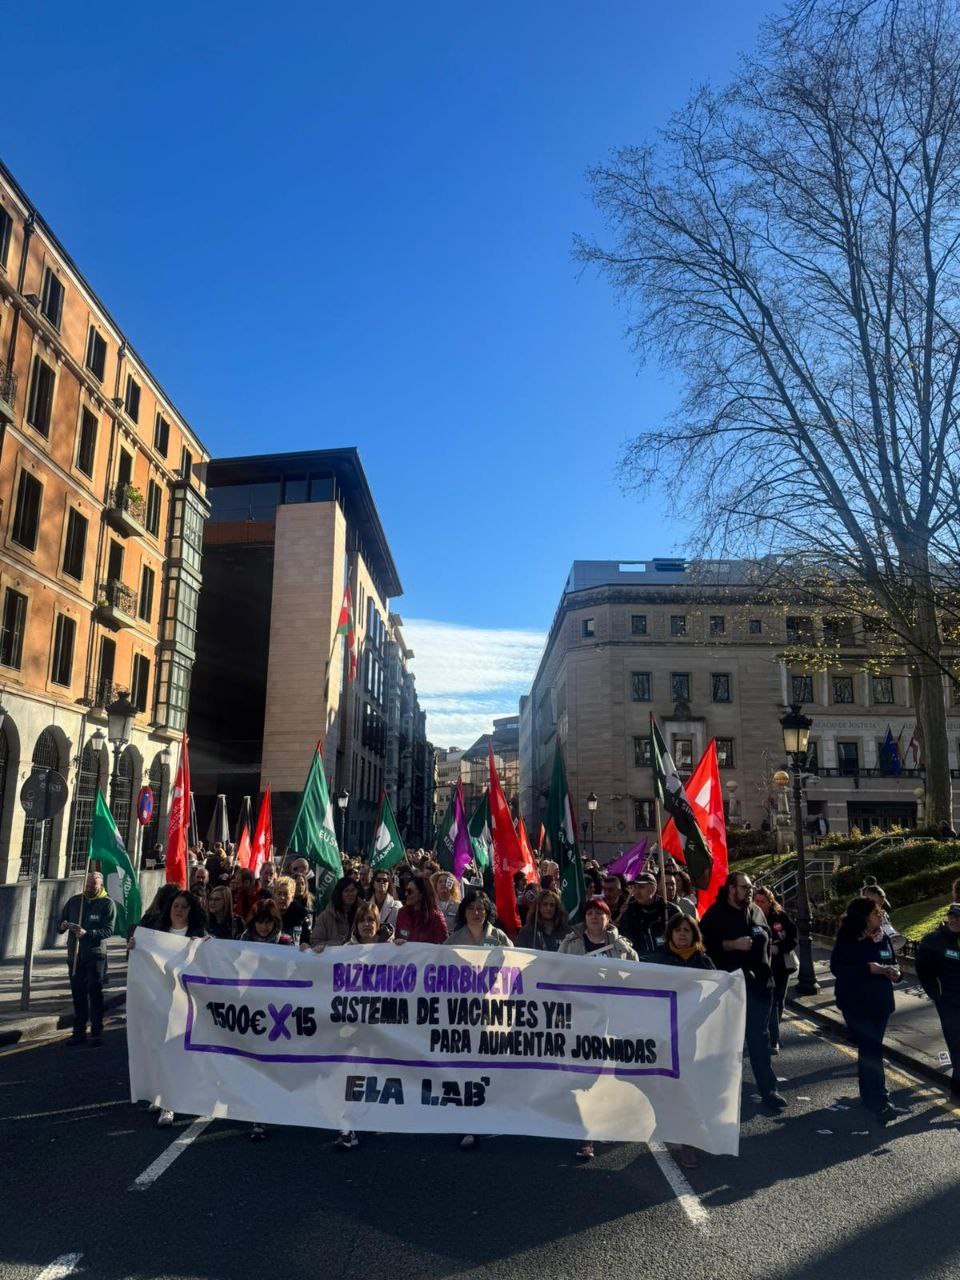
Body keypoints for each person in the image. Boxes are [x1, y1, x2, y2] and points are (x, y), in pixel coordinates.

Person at [559, 898, 638, 1160]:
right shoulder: (570, 944)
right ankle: (586, 1135)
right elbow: (556, 973)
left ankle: (606, 1123)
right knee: (584, 1076)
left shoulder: (621, 946)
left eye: (600, 913)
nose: (594, 917)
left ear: (608, 918)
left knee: (608, 1076)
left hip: (613, 1020)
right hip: (580, 1019)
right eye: (590, 913)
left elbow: (637, 974)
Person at [701, 872, 786, 1111]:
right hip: (729, 990)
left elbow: (766, 938)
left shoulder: (756, 912)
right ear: (730, 888)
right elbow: (701, 945)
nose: (750, 891)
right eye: (745, 887)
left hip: (760, 986)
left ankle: (769, 1091)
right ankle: (722, 1095)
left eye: (751, 887)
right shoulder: (715, 915)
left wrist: (767, 968)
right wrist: (730, 944)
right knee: (728, 1043)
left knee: (760, 1039)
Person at [129, 889, 207, 1128]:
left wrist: (206, 945)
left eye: (184, 907)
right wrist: (134, 947)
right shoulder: (156, 936)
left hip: (184, 1004)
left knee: (175, 1052)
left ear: (190, 911)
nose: (179, 910)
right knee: (157, 1049)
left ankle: (169, 1106)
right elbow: (143, 960)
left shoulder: (198, 936)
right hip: (159, 1002)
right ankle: (159, 1093)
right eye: (176, 906)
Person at [648, 914, 715, 1169]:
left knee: (688, 1087)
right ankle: (664, 1124)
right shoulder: (659, 961)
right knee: (663, 1084)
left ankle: (688, 1143)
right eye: (677, 930)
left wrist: (696, 1018)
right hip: (664, 1032)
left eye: (687, 930)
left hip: (691, 1035)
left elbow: (715, 995)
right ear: (670, 934)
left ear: (694, 934)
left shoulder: (704, 962)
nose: (682, 934)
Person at [830, 896, 904, 1123]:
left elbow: (893, 963)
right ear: (863, 917)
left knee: (869, 1049)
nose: (879, 916)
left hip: (880, 1003)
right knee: (872, 1048)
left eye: (880, 913)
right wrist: (868, 969)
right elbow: (838, 969)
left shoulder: (884, 939)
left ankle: (868, 1095)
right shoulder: (848, 939)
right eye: (875, 913)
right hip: (855, 1004)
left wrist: (895, 974)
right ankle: (880, 1100)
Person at [240, 900, 293, 1141]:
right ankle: (258, 1114)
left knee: (276, 1062)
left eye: (268, 922)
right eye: (260, 922)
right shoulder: (243, 940)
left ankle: (277, 1105)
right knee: (256, 1062)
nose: (263, 927)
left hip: (279, 1010)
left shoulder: (286, 943)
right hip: (252, 1009)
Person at [58, 870, 117, 1047]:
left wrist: (88, 933)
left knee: (95, 993)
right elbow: (61, 922)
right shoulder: (75, 901)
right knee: (78, 994)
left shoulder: (107, 904)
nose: (90, 888)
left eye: (94, 886)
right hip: (75, 956)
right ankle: (78, 1032)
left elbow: (108, 930)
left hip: (95, 955)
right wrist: (63, 926)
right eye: (88, 885)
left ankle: (97, 1031)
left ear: (101, 886)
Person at [916, 903, 960, 1096]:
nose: (956, 921)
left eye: (959, 918)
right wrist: (935, 992)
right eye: (953, 917)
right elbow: (923, 969)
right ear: (947, 918)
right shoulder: (934, 941)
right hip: (948, 1001)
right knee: (956, 1042)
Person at [753, 886, 798, 1054]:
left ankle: (774, 1033)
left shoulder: (780, 916)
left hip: (780, 966)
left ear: (770, 902)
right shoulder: (751, 917)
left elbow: (793, 937)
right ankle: (770, 1036)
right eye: (756, 901)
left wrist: (780, 948)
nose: (758, 904)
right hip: (761, 966)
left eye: (762, 902)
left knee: (779, 1000)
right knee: (767, 1001)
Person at [618, 873, 682, 956]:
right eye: (635, 887)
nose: (637, 892)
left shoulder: (670, 910)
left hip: (668, 961)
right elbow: (626, 941)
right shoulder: (629, 911)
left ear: (653, 888)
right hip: (639, 961)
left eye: (641, 887)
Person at [447, 890, 514, 948]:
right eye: (471, 908)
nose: (475, 912)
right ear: (464, 912)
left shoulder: (499, 936)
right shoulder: (454, 940)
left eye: (480, 908)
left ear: (487, 912)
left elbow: (512, 957)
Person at [395, 873, 448, 943]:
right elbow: (397, 937)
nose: (406, 894)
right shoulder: (402, 913)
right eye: (406, 891)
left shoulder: (436, 917)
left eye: (410, 891)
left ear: (421, 894)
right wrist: (397, 941)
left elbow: (444, 945)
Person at [311, 878, 360, 948]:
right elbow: (315, 942)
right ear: (339, 893)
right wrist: (339, 944)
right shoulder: (325, 917)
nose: (350, 894)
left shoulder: (364, 912)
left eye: (353, 890)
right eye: (346, 891)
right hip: (333, 958)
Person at [273, 875, 311, 948]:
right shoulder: (265, 913)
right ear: (274, 895)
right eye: (279, 893)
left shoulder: (302, 916)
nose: (282, 897)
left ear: (292, 897)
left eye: (286, 894)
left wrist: (306, 944)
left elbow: (308, 939)